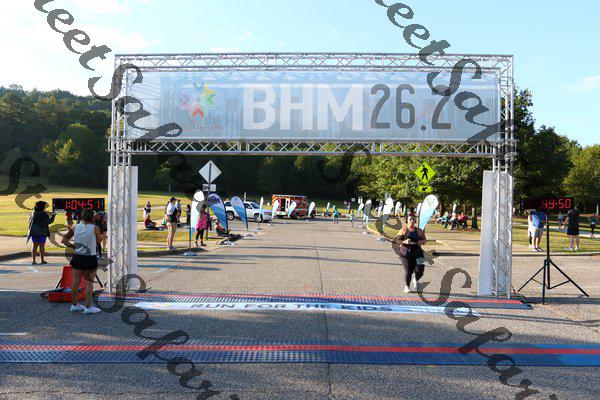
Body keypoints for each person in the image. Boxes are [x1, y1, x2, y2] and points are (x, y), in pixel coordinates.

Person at [61, 207, 102, 315]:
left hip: (77, 256)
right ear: (92, 217)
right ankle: (88, 306)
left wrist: (73, 246)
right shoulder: (95, 228)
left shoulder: (75, 227)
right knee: (89, 282)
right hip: (90, 257)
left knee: (76, 281)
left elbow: (64, 240)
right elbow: (99, 240)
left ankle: (74, 305)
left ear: (82, 216)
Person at [392, 215, 427, 293]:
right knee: (408, 271)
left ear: (415, 221)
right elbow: (396, 241)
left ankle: (416, 280)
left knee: (420, 271)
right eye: (410, 219)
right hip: (405, 253)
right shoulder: (403, 230)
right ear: (407, 221)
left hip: (418, 253)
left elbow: (425, 240)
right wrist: (404, 241)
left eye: (413, 220)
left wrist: (422, 242)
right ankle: (407, 286)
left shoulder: (419, 231)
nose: (412, 221)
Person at [28, 201, 56, 265]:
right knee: (42, 246)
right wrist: (54, 215)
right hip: (42, 232)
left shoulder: (32, 213)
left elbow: (29, 221)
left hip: (34, 232)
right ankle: (42, 260)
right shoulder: (44, 214)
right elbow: (49, 221)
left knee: (34, 246)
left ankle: (33, 261)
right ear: (42, 207)